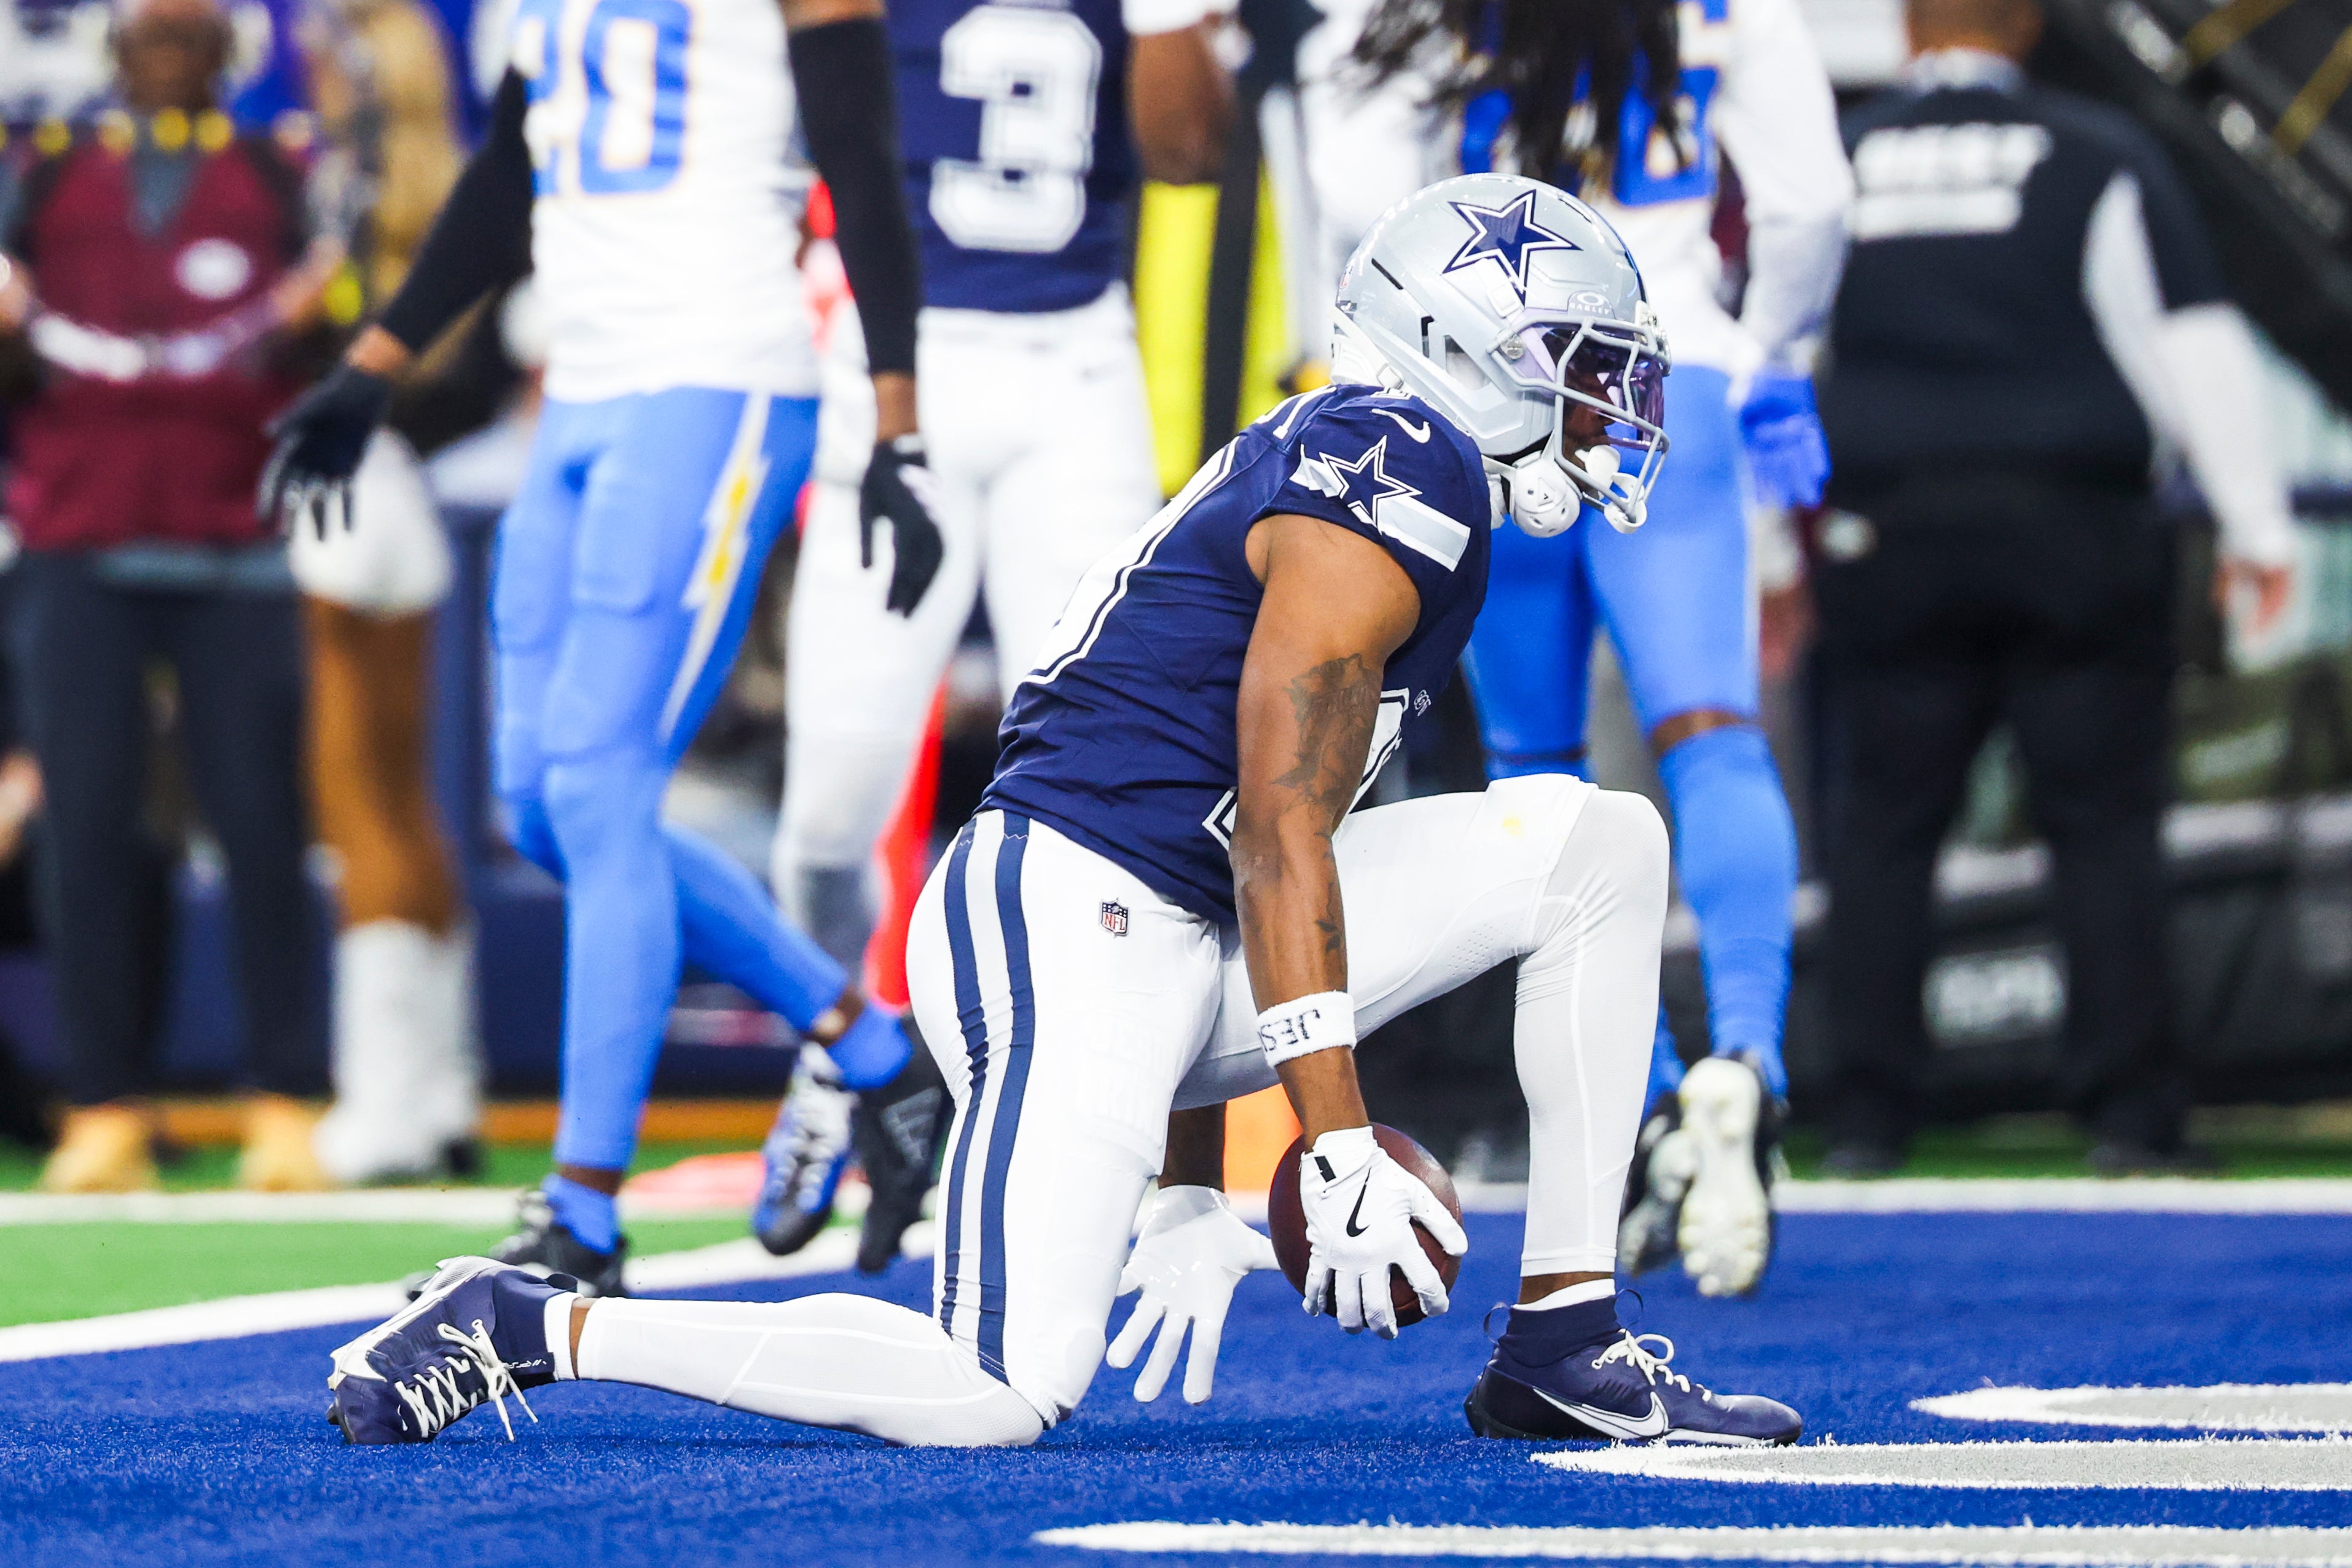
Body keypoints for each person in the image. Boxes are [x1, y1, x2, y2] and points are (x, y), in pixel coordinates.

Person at [323, 173, 1801, 1452]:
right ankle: (539, 1324)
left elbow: (1244, 833)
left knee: (1599, 845)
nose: (1607, 402)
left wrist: (1189, 1180)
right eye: (1576, 362)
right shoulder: (1396, 465)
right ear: (1464, 354)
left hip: (1167, 913)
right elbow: (1279, 826)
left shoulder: (1407, 473)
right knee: (999, 1386)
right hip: (1062, 910)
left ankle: (1564, 1347)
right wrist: (1330, 1138)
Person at [263, 0, 952, 1290]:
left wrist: (900, 431)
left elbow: (861, 155)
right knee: (542, 804)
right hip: (582, 390)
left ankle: (582, 1212)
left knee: (598, 787)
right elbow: (519, 162)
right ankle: (878, 1059)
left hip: (720, 381)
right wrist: (375, 365)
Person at [1296, 0, 1852, 1296]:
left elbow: (1355, 193)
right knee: (1712, 734)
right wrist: (1772, 349)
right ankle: (1748, 1067)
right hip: (1672, 375)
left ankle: (1652, 1106)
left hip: (1485, 392)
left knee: (1538, 776)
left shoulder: (1421, 18)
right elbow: (1812, 199)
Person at [753, 0, 1236, 1269]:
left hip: (1076, 367)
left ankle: (1075, 1111)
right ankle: (839, 1049)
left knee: (1112, 784)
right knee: (830, 801)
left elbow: (1192, 150)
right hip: (891, 359)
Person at [1808, 0, 2297, 1174]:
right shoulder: (2094, 150)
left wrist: (1779, 558)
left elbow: (1776, 350)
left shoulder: (1835, 163)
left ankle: (1865, 1121)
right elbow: (2187, 337)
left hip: (1889, 534)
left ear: (1906, 29)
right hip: (2071, 530)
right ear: (2023, 29)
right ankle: (2129, 1116)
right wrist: (2256, 526)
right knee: (2104, 830)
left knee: (1880, 831)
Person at [0, 0, 342, 1192]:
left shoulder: (275, 171)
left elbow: (343, 340)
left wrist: (323, 322)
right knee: (84, 826)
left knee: (260, 826)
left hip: (236, 538)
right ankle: (102, 1103)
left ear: (225, 52)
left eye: (190, 31)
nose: (167, 50)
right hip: (77, 535)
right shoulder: (43, 177)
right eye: (150, 30)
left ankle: (285, 1099)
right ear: (113, 49)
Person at [292, 0, 481, 1186]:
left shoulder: (347, 195)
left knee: (352, 789)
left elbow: (307, 340)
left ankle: (382, 1100)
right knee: (406, 797)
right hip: (408, 479)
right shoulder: (444, 188)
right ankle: (442, 1084)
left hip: (349, 480)